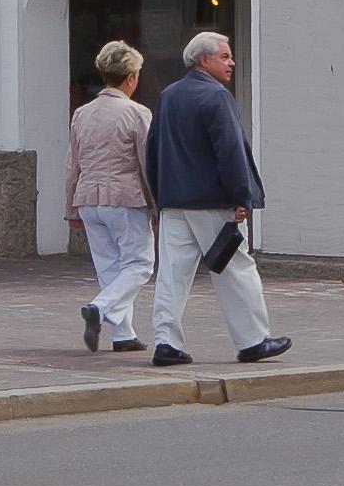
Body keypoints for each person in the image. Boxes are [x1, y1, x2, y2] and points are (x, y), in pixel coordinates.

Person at [144, 29, 288, 366]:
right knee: (236, 267)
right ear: (203, 59)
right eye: (224, 56)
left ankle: (166, 342)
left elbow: (153, 151)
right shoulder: (216, 96)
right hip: (213, 202)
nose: (231, 62)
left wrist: (159, 197)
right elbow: (230, 151)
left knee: (172, 275)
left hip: (175, 201)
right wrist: (242, 196)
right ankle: (253, 340)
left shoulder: (168, 95)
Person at [67, 40, 155, 355]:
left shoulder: (82, 113)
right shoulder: (137, 112)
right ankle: (99, 307)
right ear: (131, 77)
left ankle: (123, 334)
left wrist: (70, 208)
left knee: (109, 268)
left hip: (88, 196)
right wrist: (157, 205)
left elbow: (72, 163)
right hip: (125, 196)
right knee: (140, 264)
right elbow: (147, 163)